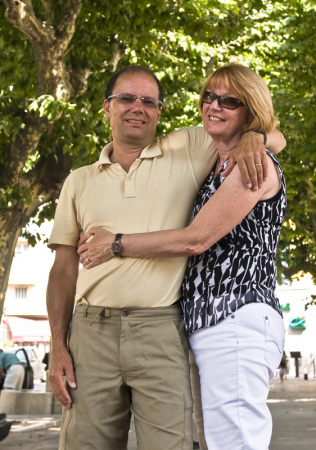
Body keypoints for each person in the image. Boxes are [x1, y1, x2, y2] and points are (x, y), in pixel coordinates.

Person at [47, 64, 285, 450]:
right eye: (126, 98)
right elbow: (61, 269)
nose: (136, 107)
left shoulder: (194, 147)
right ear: (106, 107)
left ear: (160, 111)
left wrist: (257, 137)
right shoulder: (79, 181)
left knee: (193, 441)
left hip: (170, 327)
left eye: (148, 101)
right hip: (94, 331)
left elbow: (271, 133)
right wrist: (58, 344)